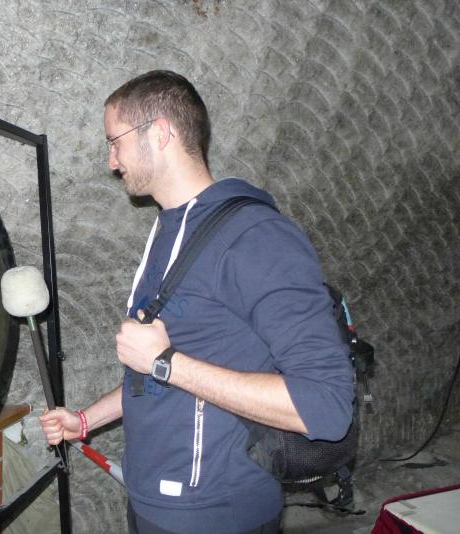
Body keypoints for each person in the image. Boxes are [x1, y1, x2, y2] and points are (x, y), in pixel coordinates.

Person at [39, 70, 355, 533]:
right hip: (151, 501)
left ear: (160, 133)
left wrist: (166, 362)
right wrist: (86, 420)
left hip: (218, 513)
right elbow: (153, 372)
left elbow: (326, 406)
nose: (111, 161)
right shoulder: (167, 230)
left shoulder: (258, 238)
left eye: (115, 142)